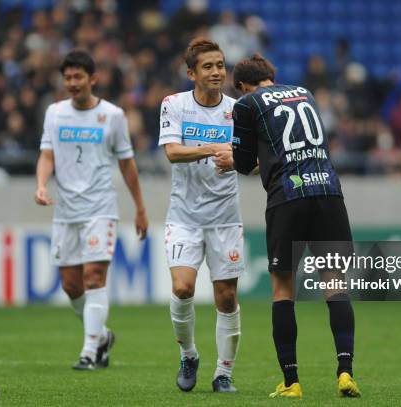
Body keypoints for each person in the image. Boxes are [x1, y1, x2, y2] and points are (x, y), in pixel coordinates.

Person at [215, 54, 361, 398]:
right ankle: (345, 372)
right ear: (272, 76)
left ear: (241, 85)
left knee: (283, 289)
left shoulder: (246, 103)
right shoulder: (305, 93)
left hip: (288, 196)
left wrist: (228, 158)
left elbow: (244, 161)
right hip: (328, 192)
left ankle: (292, 382)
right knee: (335, 285)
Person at [34, 50, 148, 370]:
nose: (72, 83)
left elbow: (127, 165)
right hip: (66, 210)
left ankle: (88, 352)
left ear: (92, 79)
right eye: (67, 77)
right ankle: (102, 335)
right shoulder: (54, 113)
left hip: (100, 207)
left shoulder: (112, 116)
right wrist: (41, 185)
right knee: (71, 285)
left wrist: (140, 208)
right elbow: (46, 156)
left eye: (78, 77)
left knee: (94, 276)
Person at [158, 38, 243, 393]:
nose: (216, 72)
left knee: (226, 297)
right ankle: (189, 354)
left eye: (220, 65)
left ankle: (223, 373)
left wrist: (237, 158)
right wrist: (213, 148)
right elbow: (173, 153)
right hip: (184, 217)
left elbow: (253, 161)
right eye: (208, 67)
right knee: (182, 288)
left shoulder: (239, 111)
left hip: (225, 218)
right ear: (191, 73)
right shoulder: (173, 105)